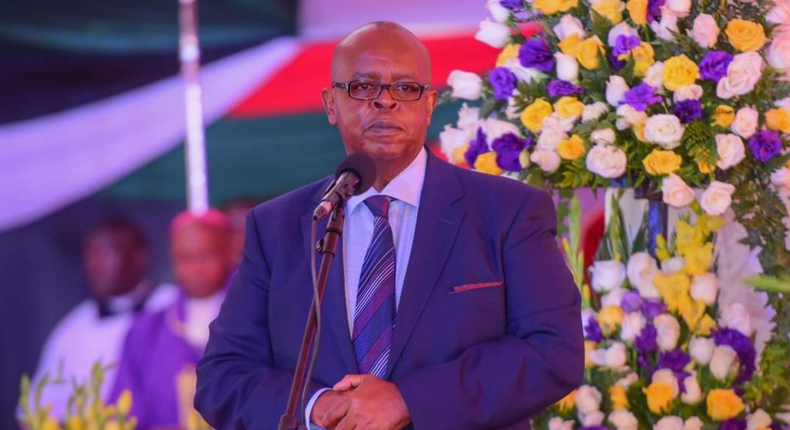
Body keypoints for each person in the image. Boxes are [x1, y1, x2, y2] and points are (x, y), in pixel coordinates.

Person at [195, 22, 584, 430]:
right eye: (363, 87)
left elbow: (553, 350)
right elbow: (222, 376)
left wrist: (409, 400)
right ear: (331, 104)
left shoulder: (507, 211)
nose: (386, 102)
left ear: (430, 104)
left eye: (406, 88)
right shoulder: (278, 227)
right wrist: (316, 407)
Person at [28, 219, 177, 419]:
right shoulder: (74, 327)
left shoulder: (174, 307)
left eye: (105, 253)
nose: (93, 264)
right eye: (90, 255)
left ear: (139, 257)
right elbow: (36, 411)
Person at [110, 210, 233, 430]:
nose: (196, 269)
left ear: (228, 252)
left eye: (205, 255)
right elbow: (122, 414)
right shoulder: (146, 331)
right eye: (185, 258)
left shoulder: (254, 319)